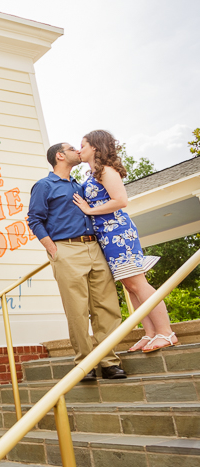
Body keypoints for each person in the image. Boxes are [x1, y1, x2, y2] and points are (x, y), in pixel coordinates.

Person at [73, 130, 178, 353]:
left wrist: (89, 210)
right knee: (130, 286)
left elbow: (121, 200)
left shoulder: (106, 171)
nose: (79, 150)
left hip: (118, 232)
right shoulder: (93, 174)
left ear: (94, 147)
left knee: (138, 283)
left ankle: (166, 332)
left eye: (82, 145)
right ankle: (150, 333)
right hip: (106, 235)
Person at [28, 142, 126, 381]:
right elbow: (34, 219)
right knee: (77, 310)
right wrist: (53, 249)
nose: (77, 151)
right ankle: (85, 363)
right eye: (73, 148)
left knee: (107, 307)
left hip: (94, 247)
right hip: (66, 249)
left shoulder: (81, 186)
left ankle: (109, 361)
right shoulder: (44, 185)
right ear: (60, 156)